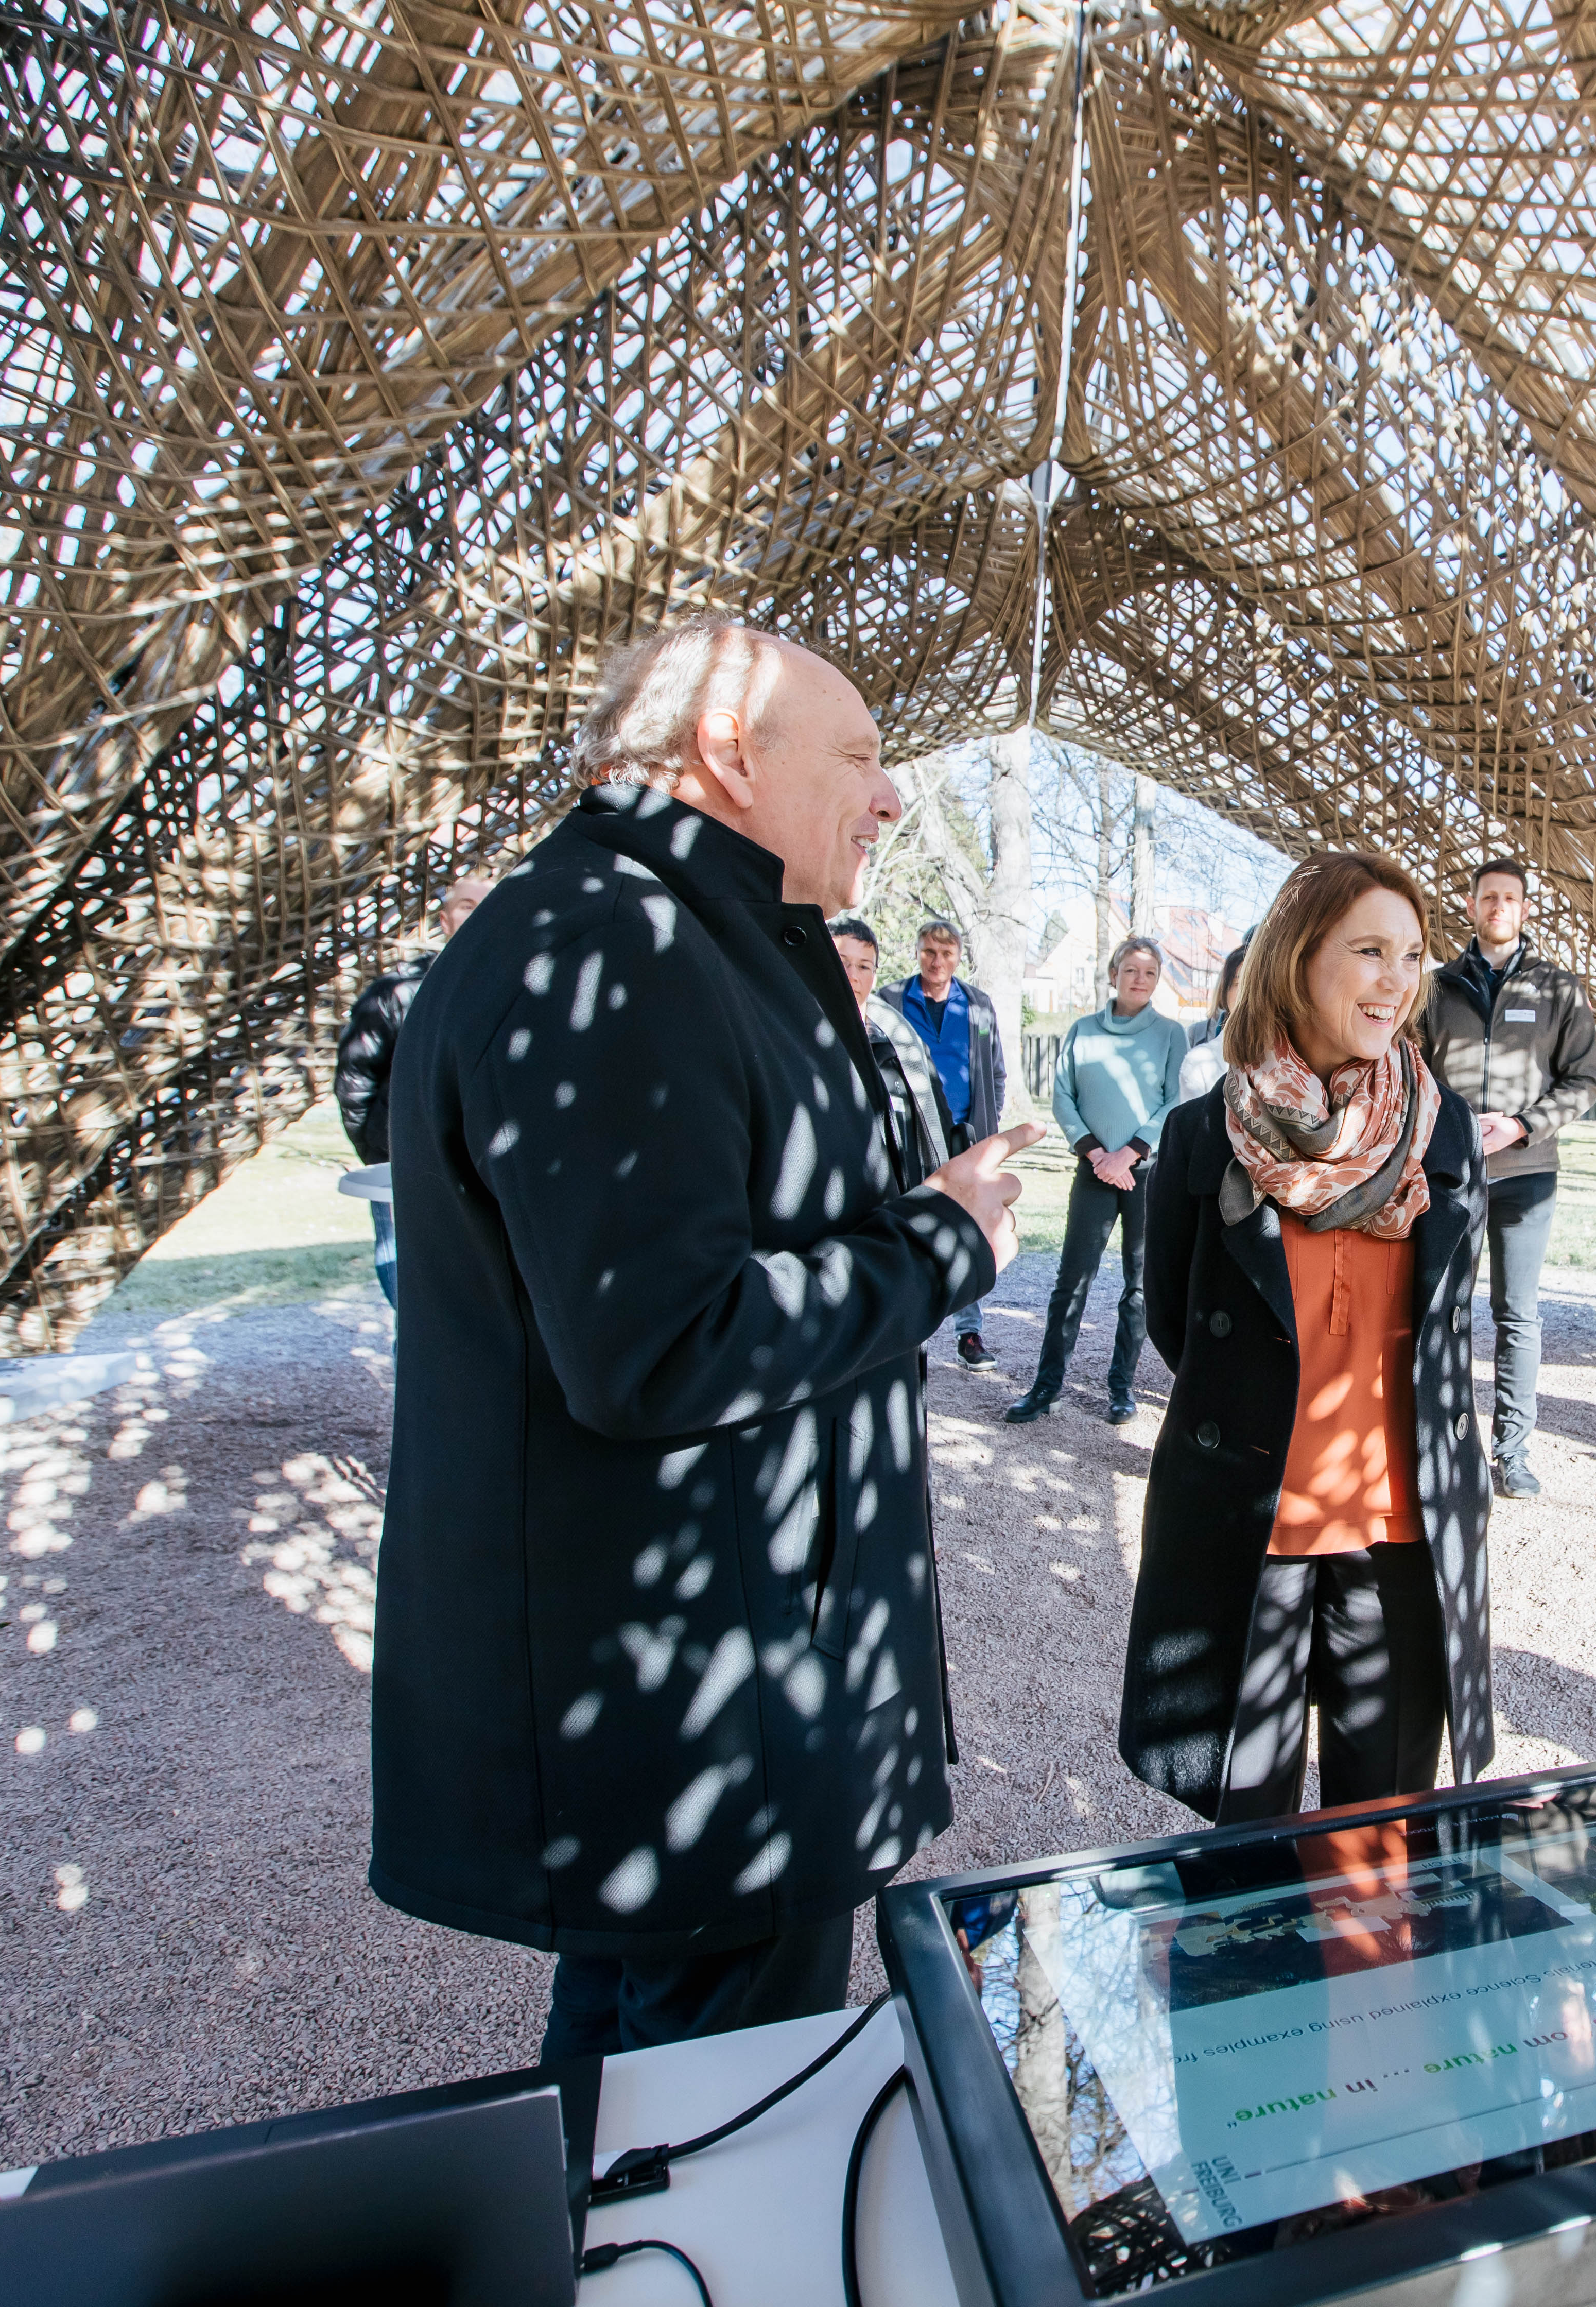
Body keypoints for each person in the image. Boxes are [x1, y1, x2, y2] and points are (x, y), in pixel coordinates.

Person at [373, 619, 1039, 2057]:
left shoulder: (688, 937)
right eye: (859, 756)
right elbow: (664, 1345)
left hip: (735, 1696)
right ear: (730, 748)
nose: (889, 796)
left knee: (642, 2107)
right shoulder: (617, 940)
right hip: (707, 1723)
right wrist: (946, 1243)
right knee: (698, 2142)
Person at [1121, 852, 1493, 1823]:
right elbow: (1177, 1325)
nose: (1397, 980)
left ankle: (1371, 1983)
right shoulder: (1206, 1133)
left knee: (1382, 1843)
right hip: (1256, 1529)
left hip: (1401, 1536)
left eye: (1412, 955)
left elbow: (1450, 1339)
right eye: (1369, 950)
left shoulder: (1442, 1133)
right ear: (1297, 958)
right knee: (1249, 1848)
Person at [1416, 857, 1596, 1499]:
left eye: (1510, 898)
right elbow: (1410, 1073)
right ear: (1471, 906)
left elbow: (1584, 1080)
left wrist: (1522, 1126)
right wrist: (1451, 1134)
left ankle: (1512, 1454)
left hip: (1527, 1176)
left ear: (1525, 910)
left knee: (1518, 1315)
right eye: (1488, 897)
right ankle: (1444, 1442)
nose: (1498, 906)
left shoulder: (1557, 989)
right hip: (1450, 1173)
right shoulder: (1437, 988)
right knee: (1445, 1309)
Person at [1010, 936, 1190, 1426]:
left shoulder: (1172, 1034)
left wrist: (1130, 1154)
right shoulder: (1082, 1031)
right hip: (1093, 1173)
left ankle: (1121, 1389)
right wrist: (1097, 1155)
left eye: (1150, 973)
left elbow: (1175, 1101)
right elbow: (1063, 1097)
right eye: (1131, 970)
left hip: (1147, 1177)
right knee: (1071, 1282)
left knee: (1139, 1286)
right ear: (1114, 974)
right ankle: (1046, 1388)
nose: (1139, 979)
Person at [334, 873, 493, 1306]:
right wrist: (385, 1154)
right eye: (467, 905)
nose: (480, 915)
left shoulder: (509, 990)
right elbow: (355, 1082)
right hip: (406, 1170)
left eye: (490, 904)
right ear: (444, 921)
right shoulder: (396, 993)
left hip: (482, 1171)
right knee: (412, 1301)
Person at [898, 918, 1010, 1369]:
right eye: (929, 952)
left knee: (968, 1224)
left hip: (965, 1133)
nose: (937, 962)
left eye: (946, 954)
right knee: (908, 1216)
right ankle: (904, 1327)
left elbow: (996, 1072)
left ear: (958, 957)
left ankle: (970, 1333)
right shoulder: (892, 1001)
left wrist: (989, 1120)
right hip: (910, 1129)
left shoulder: (977, 1005)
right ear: (918, 953)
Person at [832, 917, 949, 1185]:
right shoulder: (796, 1036)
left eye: (863, 966)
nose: (852, 975)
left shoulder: (904, 1045)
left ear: (873, 976)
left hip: (897, 1193)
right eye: (842, 962)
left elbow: (939, 1123)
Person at [1174, 938, 1245, 1104]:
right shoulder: (1198, 1064)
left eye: (1258, 984)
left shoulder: (1299, 1060)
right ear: (1225, 991)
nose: (1248, 993)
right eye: (1239, 983)